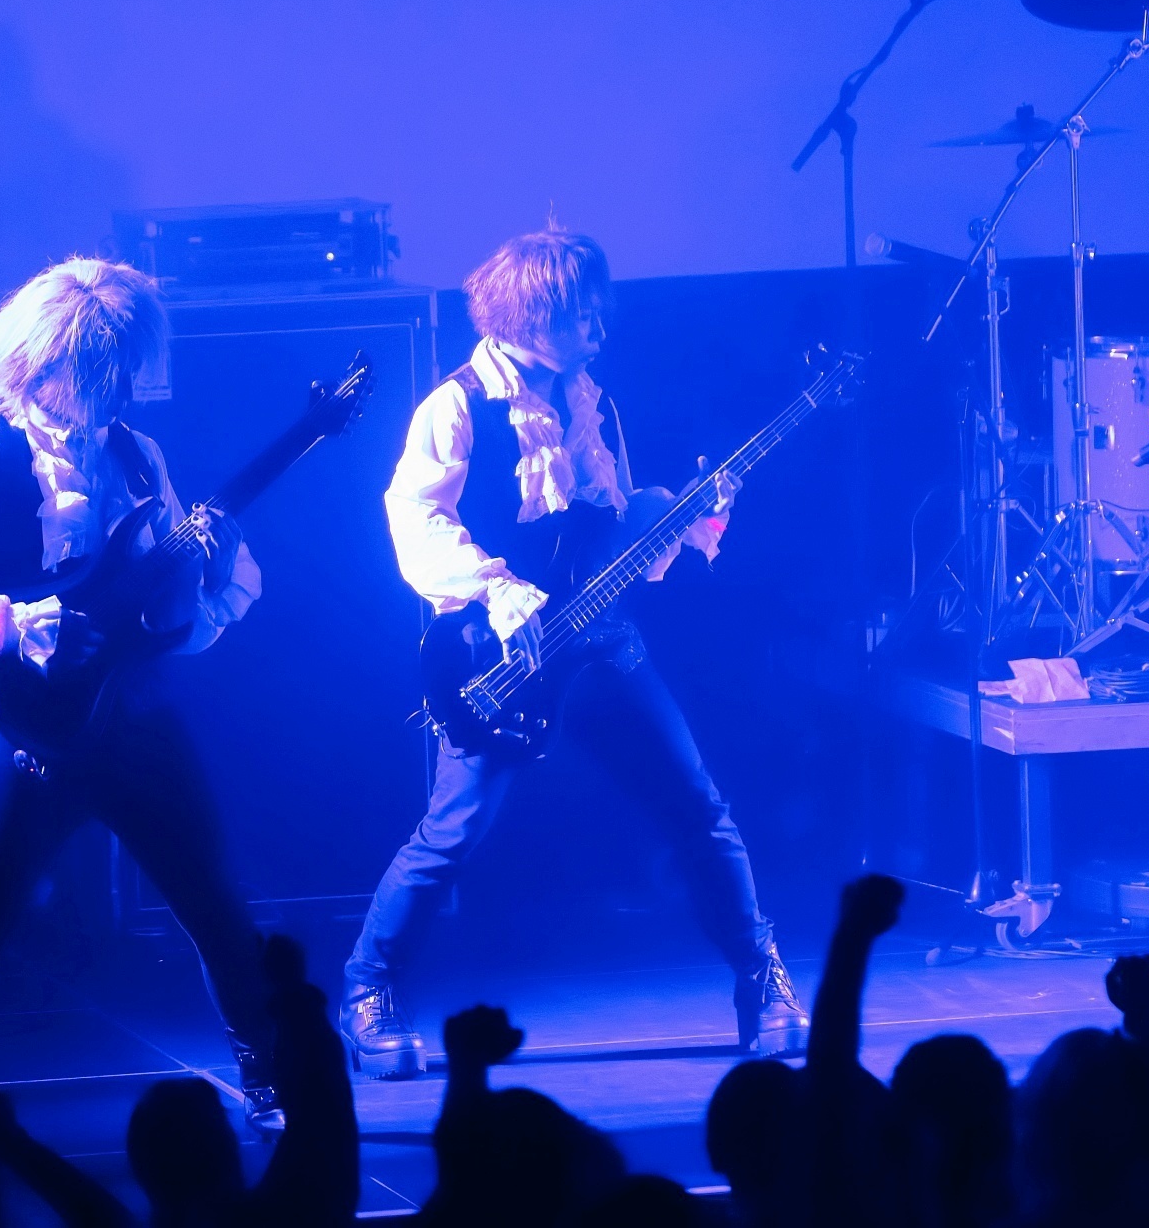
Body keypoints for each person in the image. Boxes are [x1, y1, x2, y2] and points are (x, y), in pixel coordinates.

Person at [338, 229, 809, 1078]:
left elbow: (618, 541)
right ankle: (367, 989)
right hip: (502, 653)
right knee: (451, 834)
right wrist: (497, 589)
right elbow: (415, 522)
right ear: (532, 314)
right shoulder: (456, 406)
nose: (599, 323)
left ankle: (761, 978)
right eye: (580, 310)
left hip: (602, 639)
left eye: (597, 308)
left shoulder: (596, 405)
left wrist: (689, 517)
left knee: (698, 804)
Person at [0, 258, 283, 1121]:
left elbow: (169, 603)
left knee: (217, 904)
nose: (123, 387)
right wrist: (21, 624)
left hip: (136, 719)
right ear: (47, 361)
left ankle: (272, 1079)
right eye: (105, 368)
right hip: (29, 734)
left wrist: (208, 573)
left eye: (129, 367)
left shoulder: (139, 455)